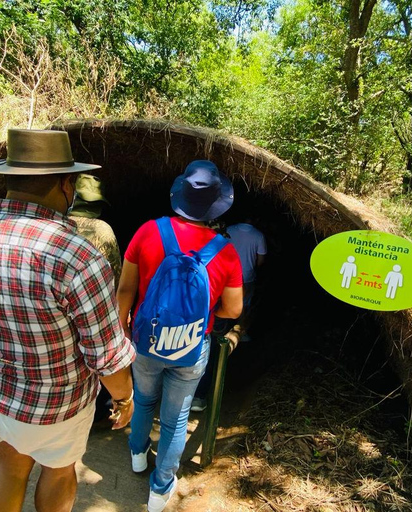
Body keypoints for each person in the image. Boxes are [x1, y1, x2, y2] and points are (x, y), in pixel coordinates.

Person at [0, 129, 136, 512]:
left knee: (11, 467)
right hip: (48, 408)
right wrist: (124, 398)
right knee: (59, 471)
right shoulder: (76, 257)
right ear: (67, 185)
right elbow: (106, 355)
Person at [117, 160, 243, 512]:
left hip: (146, 340)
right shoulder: (226, 250)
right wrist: (203, 318)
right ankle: (160, 490)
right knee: (176, 418)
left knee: (142, 400)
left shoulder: (147, 232)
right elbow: (233, 310)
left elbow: (126, 287)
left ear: (180, 196)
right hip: (190, 346)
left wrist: (123, 327)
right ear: (217, 205)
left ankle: (138, 457)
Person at [191, 218, 266, 411]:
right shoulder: (229, 259)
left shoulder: (188, 251)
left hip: (183, 320)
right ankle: (199, 396)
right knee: (212, 347)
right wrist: (218, 315)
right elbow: (233, 308)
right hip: (214, 314)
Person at [69, 173, 123, 420]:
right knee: (98, 358)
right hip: (96, 309)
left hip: (60, 309)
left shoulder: (55, 224)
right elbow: (116, 273)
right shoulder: (103, 229)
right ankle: (99, 410)